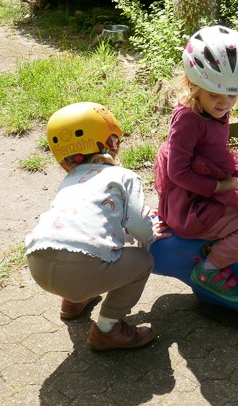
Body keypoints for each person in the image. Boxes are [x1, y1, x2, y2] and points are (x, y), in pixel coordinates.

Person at [25, 102, 169, 351]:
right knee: (141, 261)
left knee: (83, 249)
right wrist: (149, 234)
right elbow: (137, 223)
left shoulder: (69, 180)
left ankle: (73, 302)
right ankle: (108, 329)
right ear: (112, 142)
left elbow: (95, 221)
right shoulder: (124, 176)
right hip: (80, 271)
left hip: (38, 263)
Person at [153, 25, 238, 304]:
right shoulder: (188, 119)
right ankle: (210, 269)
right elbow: (178, 172)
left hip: (212, 178)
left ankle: (235, 240)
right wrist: (221, 186)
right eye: (215, 95)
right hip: (191, 203)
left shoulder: (212, 106)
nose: (224, 104)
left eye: (232, 96)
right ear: (193, 85)